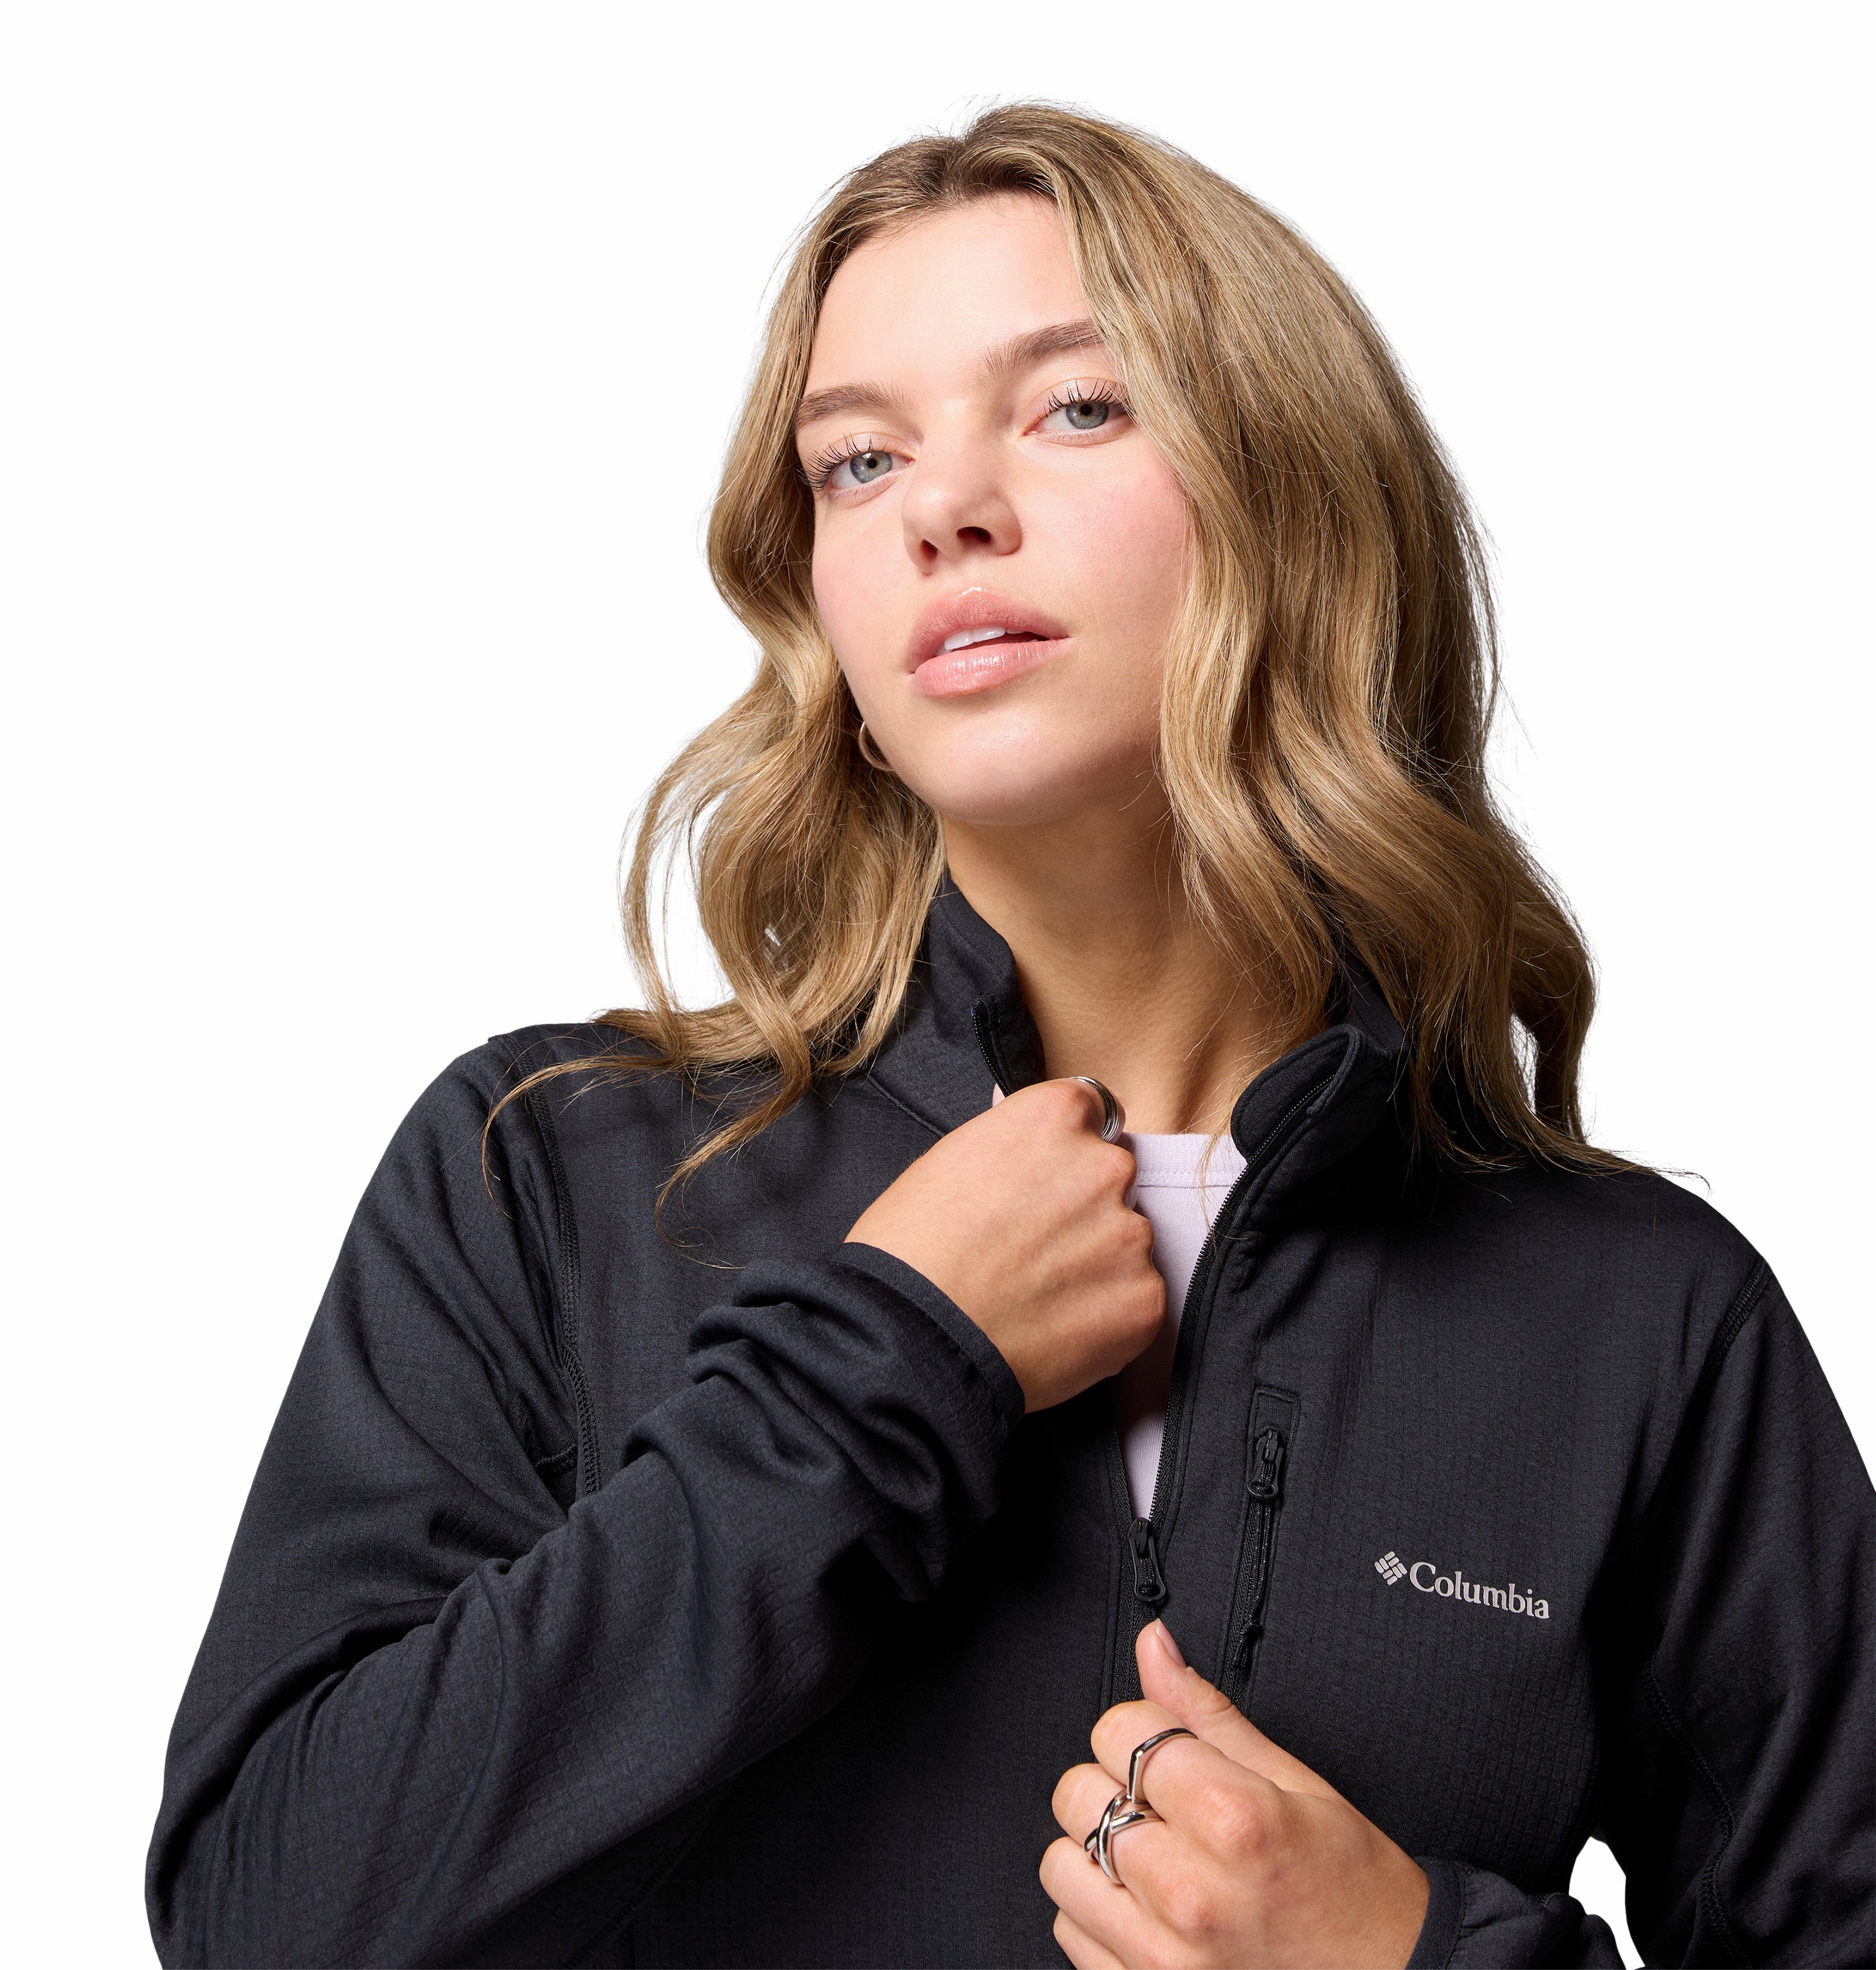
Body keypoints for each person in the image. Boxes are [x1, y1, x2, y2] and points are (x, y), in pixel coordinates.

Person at [146, 104, 1873, 1969]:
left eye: (1076, 407)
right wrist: (874, 1362)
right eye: (860, 458)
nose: (941, 509)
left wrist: (1413, 1959)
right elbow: (267, 1919)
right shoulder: (553, 1175)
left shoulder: (1639, 1317)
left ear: (1297, 499)